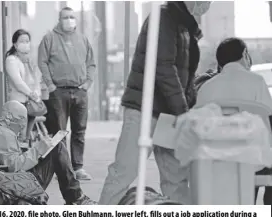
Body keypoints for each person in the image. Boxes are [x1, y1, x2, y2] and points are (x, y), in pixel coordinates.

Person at [99, 1, 211, 205]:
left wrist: (188, 105)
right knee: (124, 171)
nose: (209, 3)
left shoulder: (185, 24)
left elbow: (184, 75)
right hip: (145, 110)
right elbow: (163, 67)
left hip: (169, 115)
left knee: (176, 178)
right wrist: (182, 110)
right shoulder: (164, 18)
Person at [195, 37, 272, 205]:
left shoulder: (206, 88)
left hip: (215, 162)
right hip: (253, 164)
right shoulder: (256, 82)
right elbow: (268, 123)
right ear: (245, 54)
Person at [0, 100, 97, 205]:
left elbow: (11, 159)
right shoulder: (2, 134)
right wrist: (38, 149)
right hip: (18, 184)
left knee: (55, 148)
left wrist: (38, 148)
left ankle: (74, 197)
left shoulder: (2, 131)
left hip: (19, 181)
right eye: (21, 118)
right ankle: (76, 198)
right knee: (57, 149)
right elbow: (15, 166)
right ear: (8, 116)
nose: (23, 124)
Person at [38, 7, 96, 181]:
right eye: (65, 17)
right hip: (58, 92)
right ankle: (62, 169)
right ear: (59, 19)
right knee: (59, 132)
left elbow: (91, 63)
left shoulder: (83, 40)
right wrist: (50, 85)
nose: (69, 20)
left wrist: (87, 83)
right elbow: (42, 62)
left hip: (80, 91)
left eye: (72, 17)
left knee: (79, 131)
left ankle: (78, 168)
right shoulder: (49, 39)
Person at [5, 29, 42, 141]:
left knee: (26, 137)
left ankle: (25, 157)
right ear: (15, 44)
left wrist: (36, 92)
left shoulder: (29, 61)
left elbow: (36, 80)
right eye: (22, 41)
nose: (25, 44)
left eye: (27, 41)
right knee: (19, 137)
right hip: (18, 103)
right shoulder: (11, 60)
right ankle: (19, 157)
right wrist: (31, 94)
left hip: (30, 104)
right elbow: (18, 82)